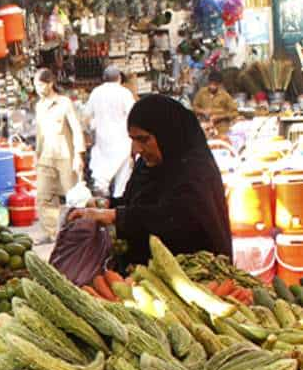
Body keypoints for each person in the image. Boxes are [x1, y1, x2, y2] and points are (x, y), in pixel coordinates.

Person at [68, 94, 232, 265]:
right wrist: (108, 204)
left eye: (144, 139)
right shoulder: (147, 164)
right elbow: (137, 204)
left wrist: (114, 216)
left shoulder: (195, 171)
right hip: (146, 273)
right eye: (133, 140)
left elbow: (177, 218)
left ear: (167, 135)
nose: (137, 149)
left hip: (194, 273)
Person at [34, 68, 86, 243]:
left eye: (41, 84)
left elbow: (76, 129)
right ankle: (52, 233)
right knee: (43, 196)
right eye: (36, 85)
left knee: (73, 197)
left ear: (50, 84)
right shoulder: (39, 105)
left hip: (65, 156)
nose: (38, 88)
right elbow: (39, 134)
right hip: (45, 158)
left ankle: (78, 233)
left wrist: (79, 155)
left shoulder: (64, 103)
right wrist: (37, 155)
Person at [86, 65, 135, 198]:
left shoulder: (96, 92)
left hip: (102, 140)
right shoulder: (124, 93)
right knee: (122, 178)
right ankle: (118, 206)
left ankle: (101, 206)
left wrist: (92, 129)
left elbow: (87, 115)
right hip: (122, 140)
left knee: (101, 177)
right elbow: (133, 116)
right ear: (119, 78)